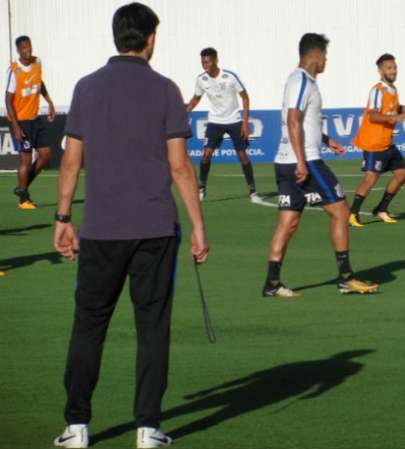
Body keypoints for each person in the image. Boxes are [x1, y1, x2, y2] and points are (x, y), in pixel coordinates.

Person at [52, 3, 209, 448]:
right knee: (152, 327)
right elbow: (180, 167)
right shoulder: (165, 90)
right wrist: (198, 224)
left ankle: (76, 426)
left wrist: (63, 217)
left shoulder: (86, 88)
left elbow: (70, 161)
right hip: (154, 229)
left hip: (101, 228)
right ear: (150, 38)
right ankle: (147, 428)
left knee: (89, 326)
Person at [263, 33, 378, 298]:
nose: (326, 60)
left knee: (288, 222)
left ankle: (272, 283)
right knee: (340, 212)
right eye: (325, 55)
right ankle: (346, 278)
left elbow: (302, 123)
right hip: (305, 161)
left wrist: (326, 140)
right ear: (315, 55)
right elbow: (293, 120)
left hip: (285, 161)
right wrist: (302, 161)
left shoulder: (298, 81)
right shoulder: (302, 80)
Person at [348, 53, 405, 227]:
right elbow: (372, 115)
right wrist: (392, 119)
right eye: (389, 68)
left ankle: (381, 209)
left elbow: (398, 108)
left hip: (387, 142)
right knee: (370, 179)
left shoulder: (392, 90)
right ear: (380, 71)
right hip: (373, 143)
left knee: (402, 174)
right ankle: (352, 214)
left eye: (394, 67)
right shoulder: (377, 90)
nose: (393, 71)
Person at [186, 47, 260, 203]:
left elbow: (245, 98)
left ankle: (253, 191)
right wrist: (182, 113)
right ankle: (202, 188)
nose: (204, 64)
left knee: (242, 156)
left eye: (207, 61)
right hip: (215, 122)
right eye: (202, 61)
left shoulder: (230, 77)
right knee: (206, 154)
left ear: (215, 60)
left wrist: (245, 123)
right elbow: (195, 100)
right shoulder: (201, 79)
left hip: (234, 121)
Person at [5, 35, 56, 209]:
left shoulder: (37, 62)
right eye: (24, 48)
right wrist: (16, 127)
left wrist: (49, 101)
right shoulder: (14, 71)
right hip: (21, 121)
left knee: (46, 155)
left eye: (29, 47)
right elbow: (7, 101)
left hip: (35, 119)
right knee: (25, 162)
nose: (28, 50)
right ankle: (23, 200)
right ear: (18, 50)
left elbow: (39, 83)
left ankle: (22, 188)